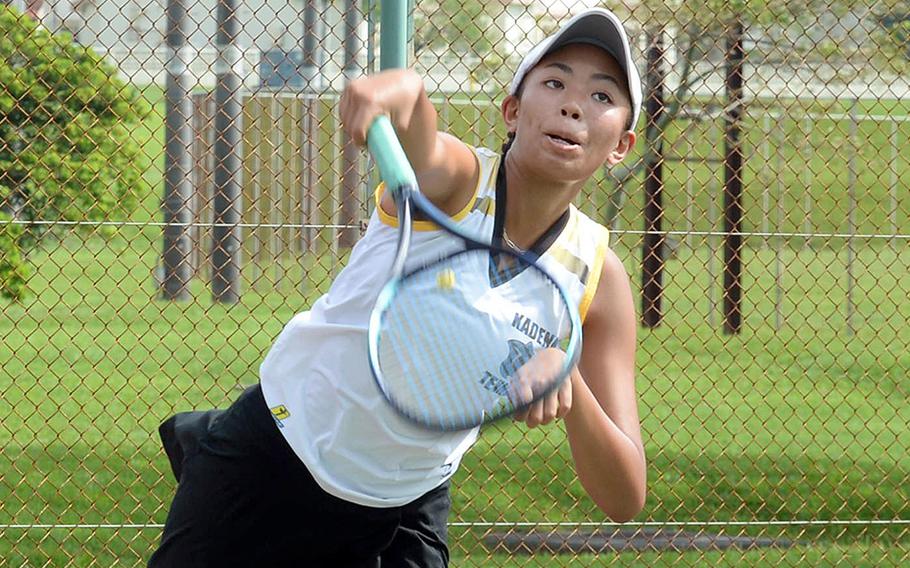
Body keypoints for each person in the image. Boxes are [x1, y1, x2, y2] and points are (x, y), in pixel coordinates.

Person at [149, 7, 646, 567]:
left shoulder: (597, 278)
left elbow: (624, 494)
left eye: (602, 96)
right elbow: (419, 134)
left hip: (405, 505)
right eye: (554, 82)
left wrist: (568, 377)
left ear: (622, 144)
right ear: (512, 110)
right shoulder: (456, 184)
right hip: (276, 453)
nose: (574, 103)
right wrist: (403, 88)